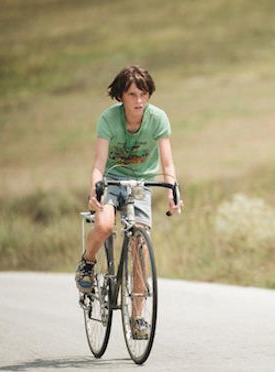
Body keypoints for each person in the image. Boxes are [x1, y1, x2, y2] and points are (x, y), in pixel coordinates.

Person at [75, 65, 183, 339]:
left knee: (140, 246)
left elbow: (167, 162)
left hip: (141, 185)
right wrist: (94, 190)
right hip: (112, 180)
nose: (139, 101)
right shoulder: (109, 119)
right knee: (104, 226)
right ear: (121, 96)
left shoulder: (158, 118)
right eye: (133, 94)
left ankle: (137, 318)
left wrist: (172, 191)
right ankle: (87, 262)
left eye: (143, 94)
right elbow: (99, 164)